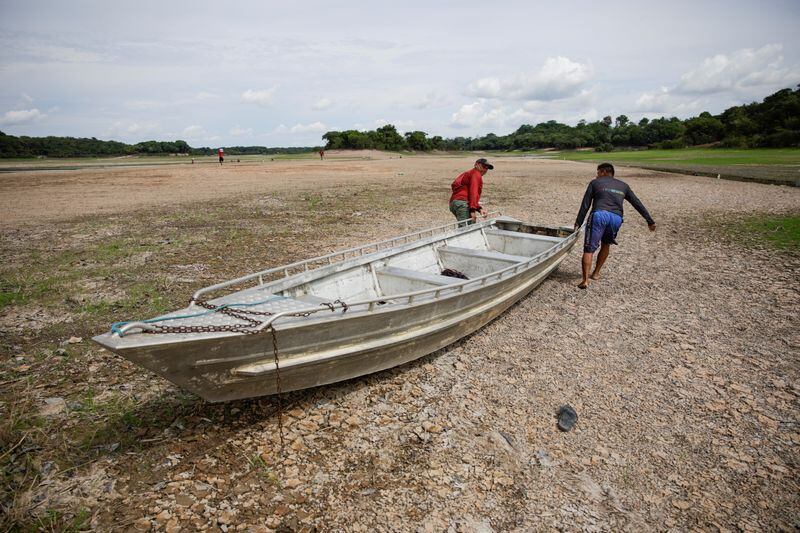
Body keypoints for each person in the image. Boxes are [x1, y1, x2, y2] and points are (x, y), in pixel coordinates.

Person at [574, 163, 656, 289]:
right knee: (606, 244)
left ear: (604, 172)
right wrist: (650, 221)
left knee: (589, 248)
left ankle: (585, 281)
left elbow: (585, 204)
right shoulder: (623, 185)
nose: (597, 175)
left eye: (598, 172)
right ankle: (596, 273)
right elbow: (637, 203)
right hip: (616, 218)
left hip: (599, 215)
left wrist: (578, 223)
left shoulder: (594, 183)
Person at [449, 158, 493, 225]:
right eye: (484, 166)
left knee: (466, 225)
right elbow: (473, 192)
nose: (485, 170)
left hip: (454, 203)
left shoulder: (468, 173)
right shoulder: (476, 174)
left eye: (487, 168)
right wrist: (472, 210)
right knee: (467, 228)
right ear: (476, 165)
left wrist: (479, 209)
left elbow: (456, 187)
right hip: (462, 203)